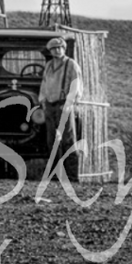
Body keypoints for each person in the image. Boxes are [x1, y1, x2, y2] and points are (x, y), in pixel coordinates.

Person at [37, 35, 83, 180]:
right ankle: (56, 174)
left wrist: (70, 103)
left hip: (64, 104)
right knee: (52, 140)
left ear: (64, 49)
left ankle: (72, 175)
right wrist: (43, 101)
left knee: (68, 139)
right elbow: (44, 84)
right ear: (50, 51)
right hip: (50, 105)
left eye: (60, 48)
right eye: (54, 49)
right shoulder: (49, 65)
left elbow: (76, 85)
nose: (57, 51)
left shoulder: (71, 64)